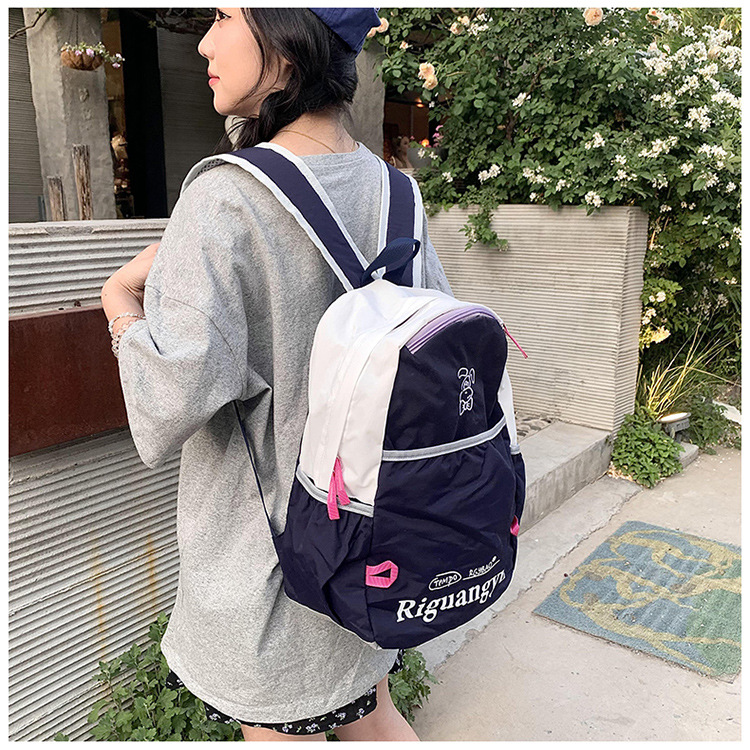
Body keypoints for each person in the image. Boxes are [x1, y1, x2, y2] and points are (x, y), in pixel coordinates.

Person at [100, 7, 453, 742]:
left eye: (224, 15)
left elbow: (167, 408)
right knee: (376, 717)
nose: (204, 42)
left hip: (273, 566)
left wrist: (120, 308)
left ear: (286, 46)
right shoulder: (397, 193)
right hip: (374, 542)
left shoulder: (226, 196)